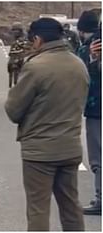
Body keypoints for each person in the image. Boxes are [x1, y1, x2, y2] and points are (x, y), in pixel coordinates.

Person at [4, 18, 89, 231]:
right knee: (71, 206)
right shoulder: (79, 64)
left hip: (39, 152)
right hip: (70, 147)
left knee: (38, 209)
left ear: (38, 39)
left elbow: (13, 110)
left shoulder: (35, 67)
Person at [76, 10, 102, 216]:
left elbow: (81, 74)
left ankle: (101, 198)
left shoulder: (86, 49)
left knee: (98, 157)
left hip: (96, 109)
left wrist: (91, 57)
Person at [7, 22, 31, 88]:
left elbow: (27, 46)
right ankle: (11, 76)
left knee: (26, 65)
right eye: (14, 30)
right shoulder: (12, 38)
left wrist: (25, 50)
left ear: (20, 31)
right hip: (13, 55)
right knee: (9, 65)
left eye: (17, 30)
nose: (15, 32)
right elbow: (12, 48)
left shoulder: (24, 37)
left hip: (22, 55)